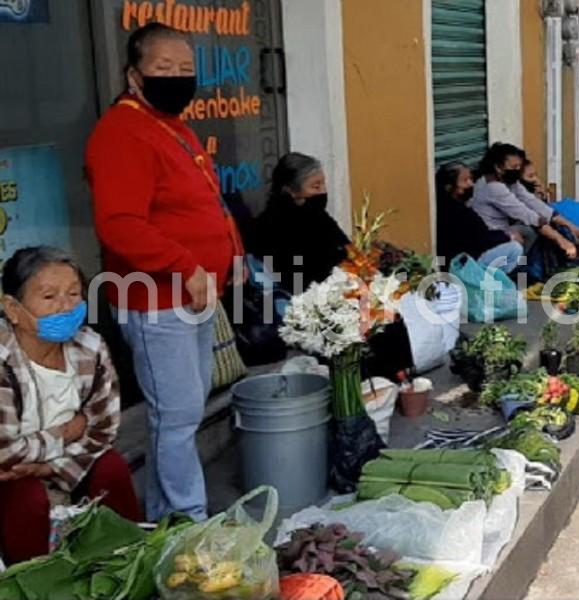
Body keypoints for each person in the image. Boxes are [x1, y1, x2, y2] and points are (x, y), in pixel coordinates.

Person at [85, 24, 242, 522]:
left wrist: (233, 252)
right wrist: (185, 266)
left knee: (184, 412)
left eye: (186, 70)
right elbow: (120, 224)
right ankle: (185, 521)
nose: (177, 78)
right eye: (163, 69)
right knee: (174, 418)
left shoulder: (172, 126)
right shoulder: (121, 132)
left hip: (192, 295)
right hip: (155, 299)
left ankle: (165, 513)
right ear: (134, 76)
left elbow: (205, 201)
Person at [0, 247, 141, 563]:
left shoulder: (90, 347)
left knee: (112, 468)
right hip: (11, 475)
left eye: (74, 294)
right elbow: (5, 452)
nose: (65, 307)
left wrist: (50, 466)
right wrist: (66, 431)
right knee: (25, 498)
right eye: (49, 297)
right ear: (12, 308)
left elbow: (104, 428)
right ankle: (35, 580)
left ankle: (126, 562)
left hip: (61, 460)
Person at [246, 153, 350, 294]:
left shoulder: (319, 217)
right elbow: (297, 279)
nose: (323, 191)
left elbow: (347, 249)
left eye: (323, 184)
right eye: (315, 186)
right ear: (292, 191)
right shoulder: (273, 226)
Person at [471, 143, 579, 259]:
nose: (517, 170)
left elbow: (532, 202)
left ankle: (521, 269)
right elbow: (525, 213)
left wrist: (571, 226)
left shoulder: (509, 181)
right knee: (523, 237)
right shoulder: (492, 187)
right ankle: (516, 272)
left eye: (519, 166)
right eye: (513, 167)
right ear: (498, 167)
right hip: (488, 237)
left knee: (529, 232)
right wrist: (561, 240)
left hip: (501, 230)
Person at [436, 161, 523, 273]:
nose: (471, 184)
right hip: (462, 266)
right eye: (465, 181)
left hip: (461, 260)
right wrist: (508, 237)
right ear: (449, 187)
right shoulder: (457, 212)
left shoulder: (446, 205)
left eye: (470, 179)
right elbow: (482, 239)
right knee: (515, 249)